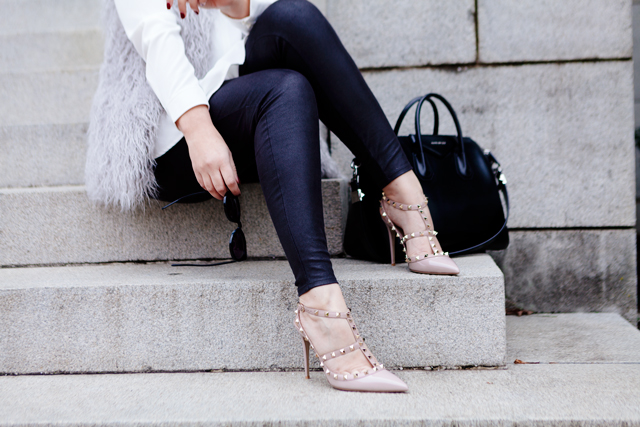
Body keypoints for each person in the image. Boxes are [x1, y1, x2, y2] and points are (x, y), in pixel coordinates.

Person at [86, 0, 460, 393]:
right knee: (286, 89)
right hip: (171, 131)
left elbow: (257, 19)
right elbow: (155, 37)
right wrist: (197, 129)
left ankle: (401, 191)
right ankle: (321, 304)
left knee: (294, 16)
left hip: (233, 95)